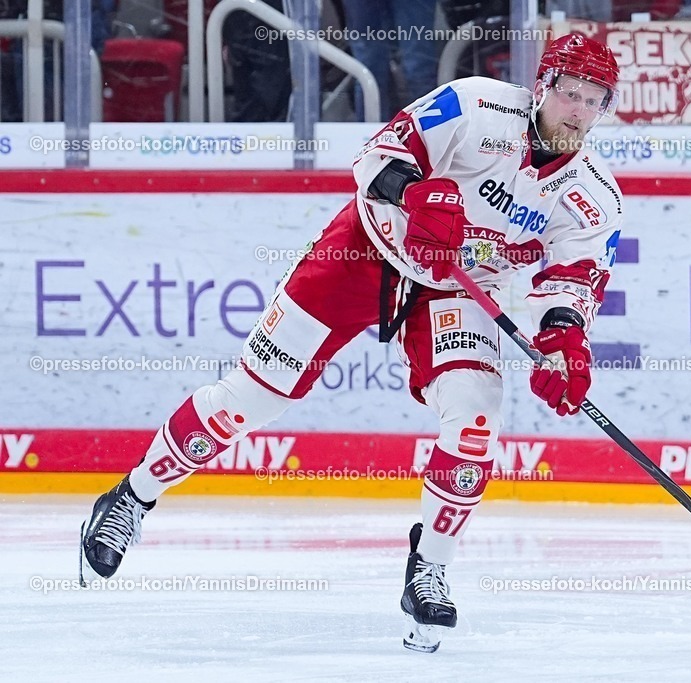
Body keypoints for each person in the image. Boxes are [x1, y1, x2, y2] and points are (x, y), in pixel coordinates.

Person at [79, 32, 624, 654]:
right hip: (363, 250)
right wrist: (416, 192)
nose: (577, 111)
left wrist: (563, 342)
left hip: (457, 291)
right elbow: (379, 153)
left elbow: (574, 280)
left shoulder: (595, 197)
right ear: (542, 88)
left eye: (593, 100)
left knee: (476, 420)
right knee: (252, 398)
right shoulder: (477, 106)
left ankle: (430, 569)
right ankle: (130, 498)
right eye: (569, 93)